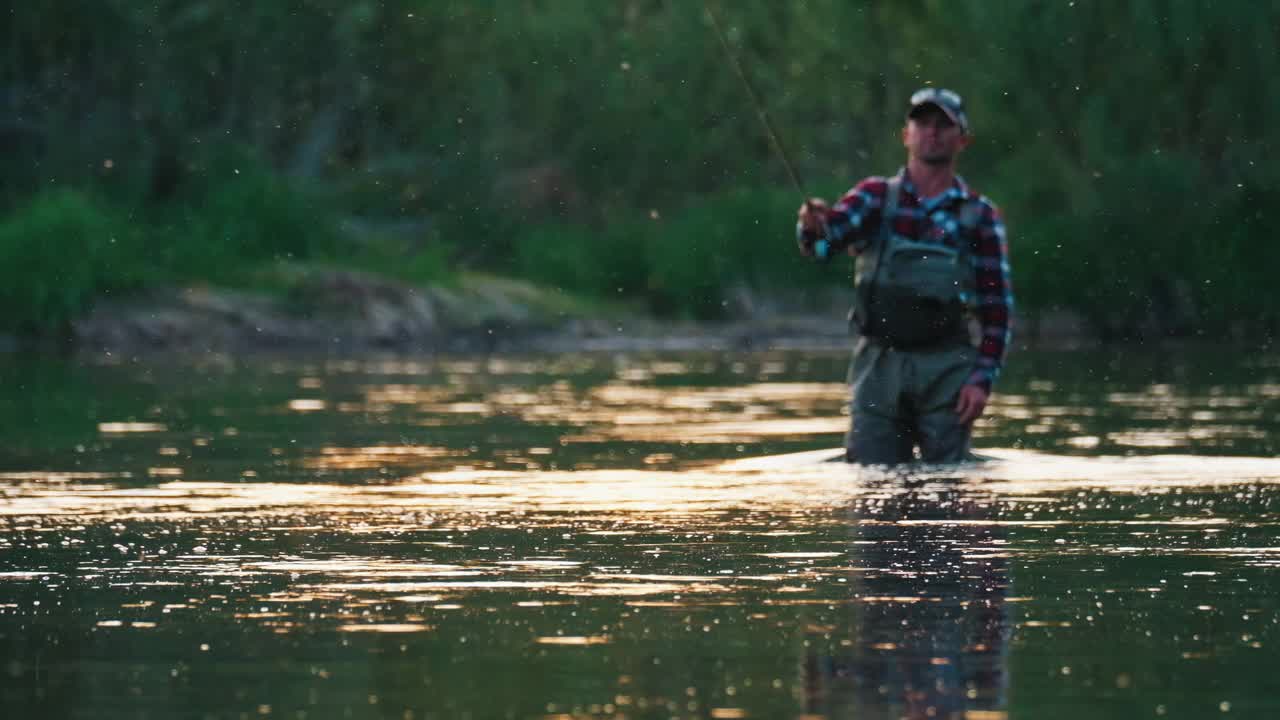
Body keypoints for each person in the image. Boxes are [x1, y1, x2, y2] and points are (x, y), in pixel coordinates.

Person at [797, 88, 1012, 465]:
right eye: (923, 123)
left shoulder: (980, 216)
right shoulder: (874, 197)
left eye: (944, 125)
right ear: (906, 134)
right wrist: (811, 227)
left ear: (962, 140)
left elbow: (998, 313)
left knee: (949, 489)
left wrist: (981, 381)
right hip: (879, 366)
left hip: (948, 370)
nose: (932, 132)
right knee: (870, 481)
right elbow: (822, 250)